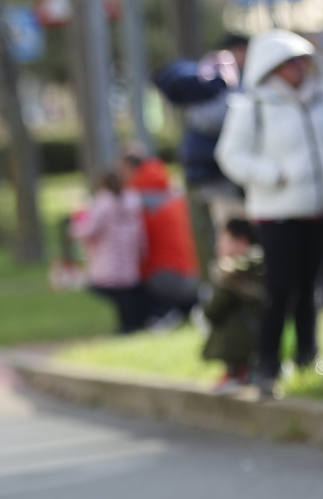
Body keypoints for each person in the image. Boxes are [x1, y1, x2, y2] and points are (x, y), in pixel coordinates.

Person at [214, 29, 323, 398]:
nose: (299, 69)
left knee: (313, 289)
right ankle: (267, 363)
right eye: (290, 63)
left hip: (321, 211)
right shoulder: (253, 106)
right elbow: (231, 155)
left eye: (302, 61)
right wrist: (272, 175)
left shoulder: (321, 101)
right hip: (278, 215)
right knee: (279, 290)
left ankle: (308, 354)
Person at [153, 33, 250, 278]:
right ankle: (227, 293)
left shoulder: (212, 83)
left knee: (226, 237)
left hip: (215, 176)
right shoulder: (218, 84)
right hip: (218, 178)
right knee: (231, 238)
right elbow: (210, 119)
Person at [120, 148, 201, 325]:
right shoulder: (171, 192)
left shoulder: (137, 198)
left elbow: (137, 244)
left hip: (164, 277)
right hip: (191, 273)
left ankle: (160, 315)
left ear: (128, 168)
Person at [69, 172, 150, 334]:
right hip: (128, 254)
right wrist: (142, 249)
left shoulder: (102, 204)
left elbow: (89, 229)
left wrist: (75, 227)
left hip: (107, 256)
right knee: (125, 293)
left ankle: (126, 326)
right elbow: (141, 231)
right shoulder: (132, 201)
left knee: (112, 292)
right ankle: (129, 324)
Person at [202, 218, 266, 393]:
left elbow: (213, 310)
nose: (219, 247)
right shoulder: (264, 267)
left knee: (223, 321)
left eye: (224, 240)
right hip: (261, 339)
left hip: (244, 340)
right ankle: (242, 371)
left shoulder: (232, 274)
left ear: (242, 241)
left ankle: (237, 371)